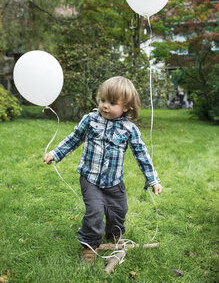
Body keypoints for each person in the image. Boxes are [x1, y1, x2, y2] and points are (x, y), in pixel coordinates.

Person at [44, 76, 162, 264]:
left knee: (118, 211)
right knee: (95, 212)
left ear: (126, 107)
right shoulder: (90, 120)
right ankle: (89, 245)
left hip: (114, 181)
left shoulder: (129, 129)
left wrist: (153, 180)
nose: (105, 105)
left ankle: (114, 234)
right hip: (90, 178)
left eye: (112, 102)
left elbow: (142, 154)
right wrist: (55, 154)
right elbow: (74, 138)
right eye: (102, 100)